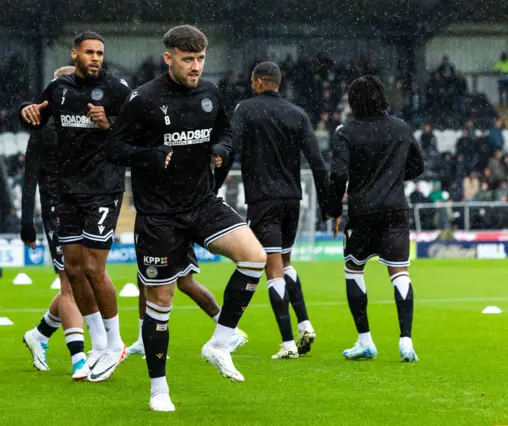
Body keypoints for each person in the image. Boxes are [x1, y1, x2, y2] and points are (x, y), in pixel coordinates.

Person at [105, 25, 266, 412]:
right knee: (161, 302)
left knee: (255, 257)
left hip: (202, 202)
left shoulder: (210, 93)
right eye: (188, 59)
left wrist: (222, 148)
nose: (196, 67)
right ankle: (159, 389)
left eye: (200, 59)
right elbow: (113, 147)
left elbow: (225, 132)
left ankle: (220, 341)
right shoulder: (143, 99)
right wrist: (149, 155)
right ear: (169, 58)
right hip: (159, 215)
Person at [19, 31, 132, 383]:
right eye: (90, 52)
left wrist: (108, 125)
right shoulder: (59, 89)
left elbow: (138, 138)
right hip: (67, 192)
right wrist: (26, 112)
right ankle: (98, 342)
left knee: (95, 269)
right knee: (73, 268)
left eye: (100, 52)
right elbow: (33, 116)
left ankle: (115, 343)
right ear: (75, 54)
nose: (96, 57)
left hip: (103, 189)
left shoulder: (117, 91)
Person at [231, 61, 328, 360]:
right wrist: (329, 207)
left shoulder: (245, 109)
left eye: (251, 81)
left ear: (259, 82)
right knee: (285, 262)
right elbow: (317, 162)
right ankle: (305, 324)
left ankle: (287, 344)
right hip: (292, 200)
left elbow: (231, 147)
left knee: (271, 268)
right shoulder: (297, 114)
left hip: (263, 199)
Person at [326, 75, 424, 363]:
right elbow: (417, 166)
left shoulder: (345, 132)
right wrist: (392, 179)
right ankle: (406, 342)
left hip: (362, 212)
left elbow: (339, 175)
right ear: (383, 98)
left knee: (354, 271)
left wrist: (333, 210)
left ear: (353, 102)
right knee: (400, 273)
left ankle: (365, 341)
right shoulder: (400, 128)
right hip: (396, 210)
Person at [21, 65, 94, 380]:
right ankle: (79, 357)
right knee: (70, 282)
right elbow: (29, 178)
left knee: (86, 281)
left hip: (87, 207)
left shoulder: (88, 125)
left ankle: (39, 335)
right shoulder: (43, 127)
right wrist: (27, 223)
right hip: (57, 211)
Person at [125, 245, 248, 357]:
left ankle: (232, 331)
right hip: (154, 231)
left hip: (173, 232)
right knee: (144, 277)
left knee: (185, 283)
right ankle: (143, 341)